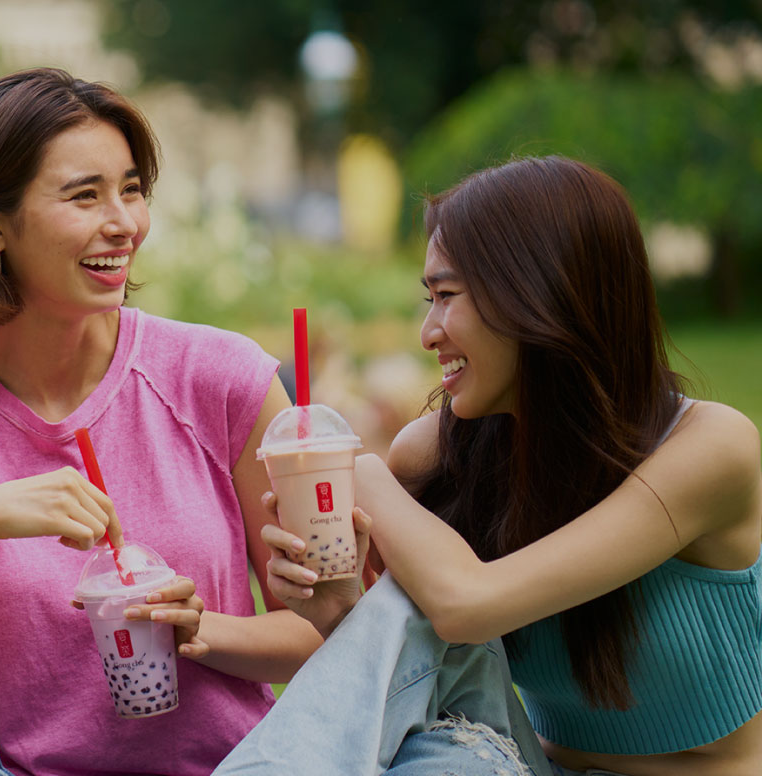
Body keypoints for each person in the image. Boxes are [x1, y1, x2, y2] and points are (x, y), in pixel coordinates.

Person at [0, 68, 324, 776]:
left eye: (132, 189)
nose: (124, 222)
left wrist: (201, 630)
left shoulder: (222, 377)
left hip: (232, 768)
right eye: (85, 195)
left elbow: (324, 626)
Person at [216, 156, 762, 775]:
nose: (428, 332)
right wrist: (339, 603)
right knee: (402, 625)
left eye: (447, 296)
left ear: (539, 291)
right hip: (522, 763)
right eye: (429, 299)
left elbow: (467, 604)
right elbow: (414, 658)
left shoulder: (710, 447)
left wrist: (357, 468)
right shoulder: (435, 456)